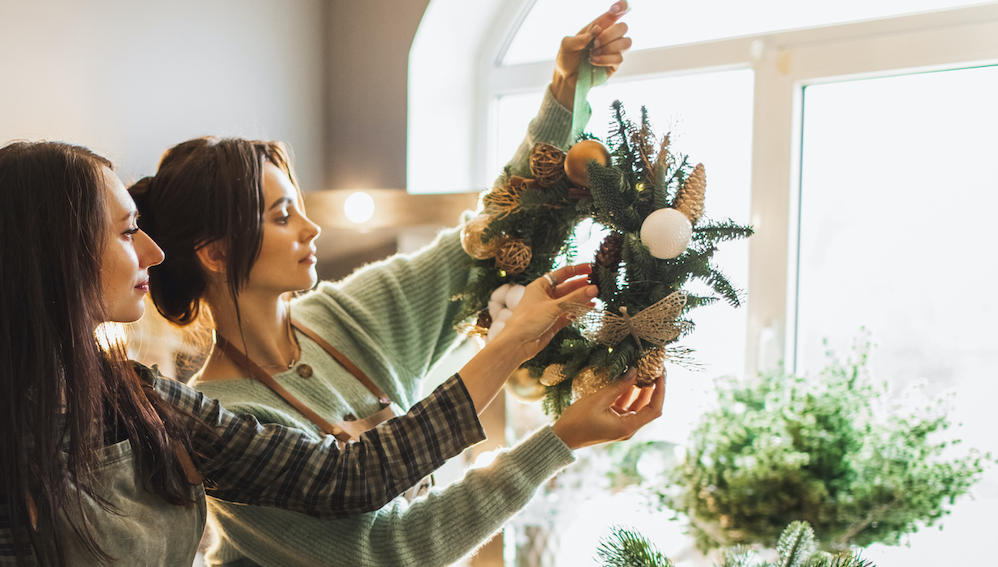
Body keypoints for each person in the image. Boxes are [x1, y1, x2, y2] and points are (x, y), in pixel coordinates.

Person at [0, 140, 654, 567]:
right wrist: (515, 357)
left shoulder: (143, 399)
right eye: (127, 232)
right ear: (55, 254)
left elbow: (352, 481)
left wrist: (521, 362)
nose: (152, 251)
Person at [129, 4, 653, 566]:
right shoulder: (225, 421)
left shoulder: (342, 317)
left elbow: (485, 243)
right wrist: (557, 439)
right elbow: (391, 551)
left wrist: (563, 92)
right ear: (218, 253)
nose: (312, 228)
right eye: (282, 217)